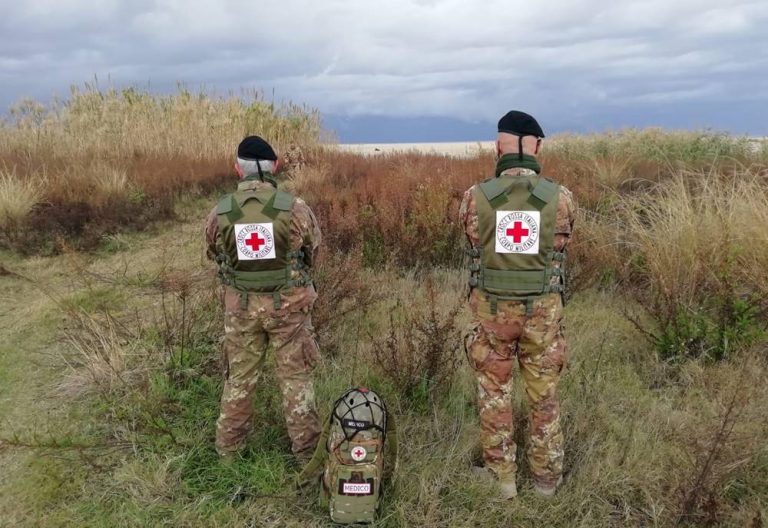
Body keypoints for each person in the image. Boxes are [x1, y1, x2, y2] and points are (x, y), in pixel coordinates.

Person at [459, 111, 576, 498]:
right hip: (543, 316)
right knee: (544, 396)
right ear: (538, 146)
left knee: (494, 393)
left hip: (493, 313)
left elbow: (473, 242)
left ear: (498, 146)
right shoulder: (562, 199)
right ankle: (546, 481)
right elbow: (563, 243)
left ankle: (502, 480)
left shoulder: (475, 199)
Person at [205, 135, 322, 462]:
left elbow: (215, 253)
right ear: (276, 166)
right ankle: (308, 458)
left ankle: (228, 455)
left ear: (237, 170)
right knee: (296, 381)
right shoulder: (295, 208)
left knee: (239, 381)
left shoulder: (221, 211)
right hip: (289, 309)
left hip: (241, 310)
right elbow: (313, 252)